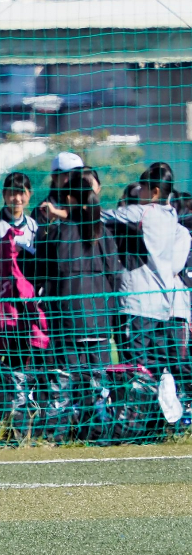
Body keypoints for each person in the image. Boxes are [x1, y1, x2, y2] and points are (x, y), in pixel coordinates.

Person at [34, 172, 122, 439]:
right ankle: (97, 434)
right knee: (97, 384)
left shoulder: (59, 234)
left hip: (68, 323)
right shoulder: (103, 233)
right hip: (99, 321)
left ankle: (61, 435)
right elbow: (115, 276)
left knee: (65, 382)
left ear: (70, 199)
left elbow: (43, 274)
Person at [109, 162, 191, 392]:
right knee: (157, 366)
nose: (138, 196)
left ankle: (138, 421)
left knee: (137, 368)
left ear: (154, 191)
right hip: (162, 306)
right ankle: (159, 419)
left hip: (139, 305)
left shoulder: (145, 212)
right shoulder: (172, 216)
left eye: (142, 189)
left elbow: (103, 216)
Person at [0, 172, 41, 415]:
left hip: (23, 311)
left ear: (29, 195)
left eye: (21, 192)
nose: (16, 198)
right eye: (11, 192)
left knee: (21, 360)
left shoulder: (35, 228)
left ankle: (18, 411)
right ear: (4, 195)